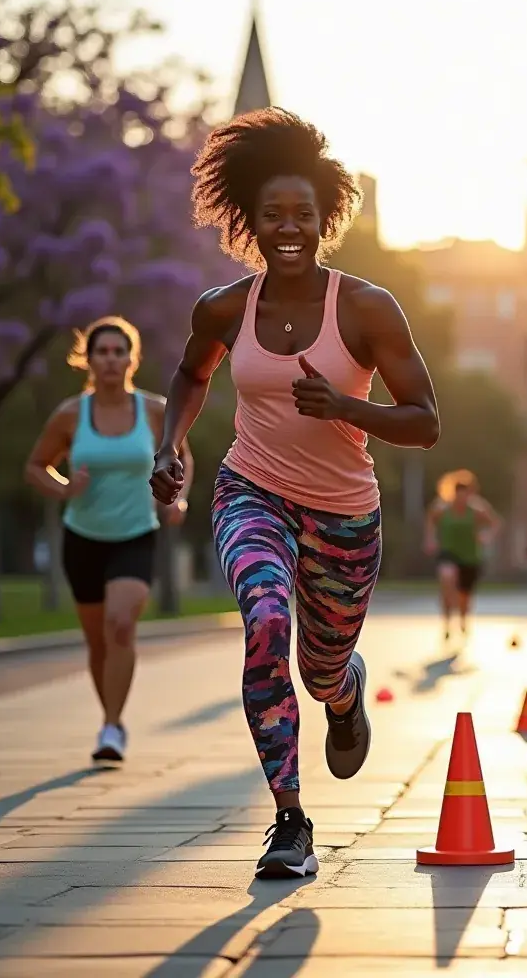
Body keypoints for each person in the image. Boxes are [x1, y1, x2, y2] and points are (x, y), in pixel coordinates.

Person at [149, 108, 439, 879]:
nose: (288, 229)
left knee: (317, 668)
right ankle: (289, 820)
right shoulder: (223, 308)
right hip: (254, 492)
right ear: (250, 219)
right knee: (266, 624)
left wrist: (349, 408)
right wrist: (171, 442)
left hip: (346, 516)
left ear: (326, 219)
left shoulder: (367, 308)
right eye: (273, 215)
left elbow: (425, 422)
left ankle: (342, 692)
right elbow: (190, 374)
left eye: (303, 216)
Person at [24, 317, 192, 763]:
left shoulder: (155, 410)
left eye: (120, 351)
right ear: (89, 359)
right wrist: (63, 488)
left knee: (121, 625)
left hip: (136, 535)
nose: (112, 359)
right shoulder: (69, 415)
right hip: (83, 538)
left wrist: (176, 499)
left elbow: (182, 455)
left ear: (132, 359)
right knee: (98, 641)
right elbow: (36, 465)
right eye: (103, 351)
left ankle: (112, 727)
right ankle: (110, 715)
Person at [423, 469, 500, 641]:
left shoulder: (477, 510)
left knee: (465, 596)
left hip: (470, 556)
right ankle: (447, 623)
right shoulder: (442, 509)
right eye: (458, 494)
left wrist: (487, 535)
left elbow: (495, 523)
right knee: (447, 578)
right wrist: (430, 539)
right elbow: (430, 520)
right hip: (448, 553)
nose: (462, 498)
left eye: (466, 494)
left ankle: (463, 620)